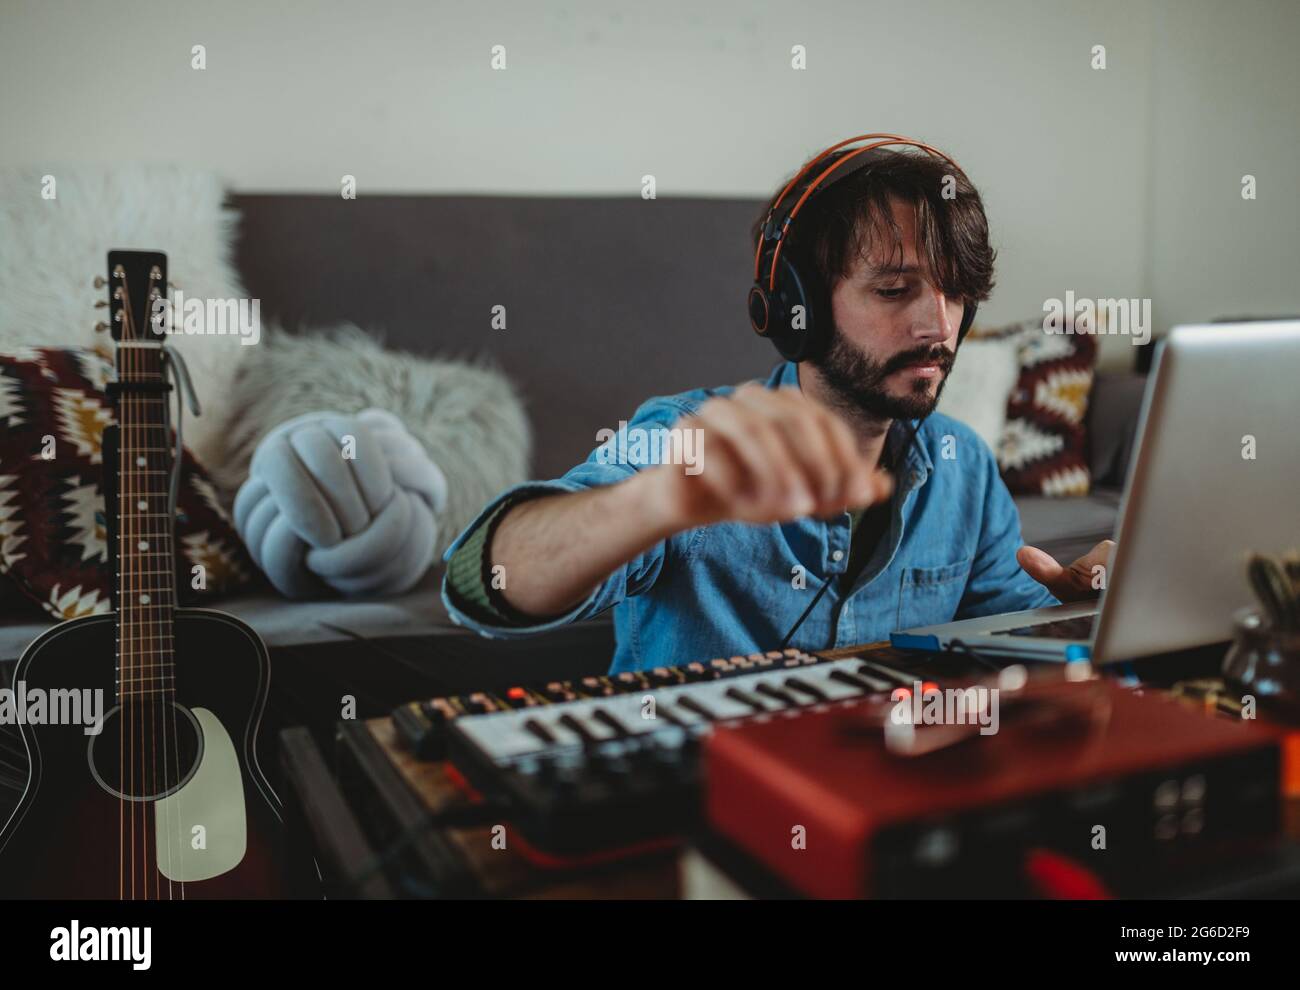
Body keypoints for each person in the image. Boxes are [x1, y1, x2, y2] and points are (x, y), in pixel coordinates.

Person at [441, 138, 1112, 673]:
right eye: (894, 290)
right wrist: (655, 502)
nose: (939, 327)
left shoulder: (963, 464)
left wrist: (1085, 611)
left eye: (956, 294)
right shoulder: (685, 435)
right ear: (799, 310)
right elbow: (484, 582)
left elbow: (1011, 641)